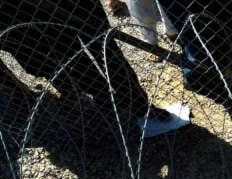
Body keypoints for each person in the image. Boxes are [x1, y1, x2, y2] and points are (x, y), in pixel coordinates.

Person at [0, 0, 170, 141]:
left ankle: (139, 104)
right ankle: (106, 102)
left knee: (107, 50)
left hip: (79, 5)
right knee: (75, 60)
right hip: (41, 13)